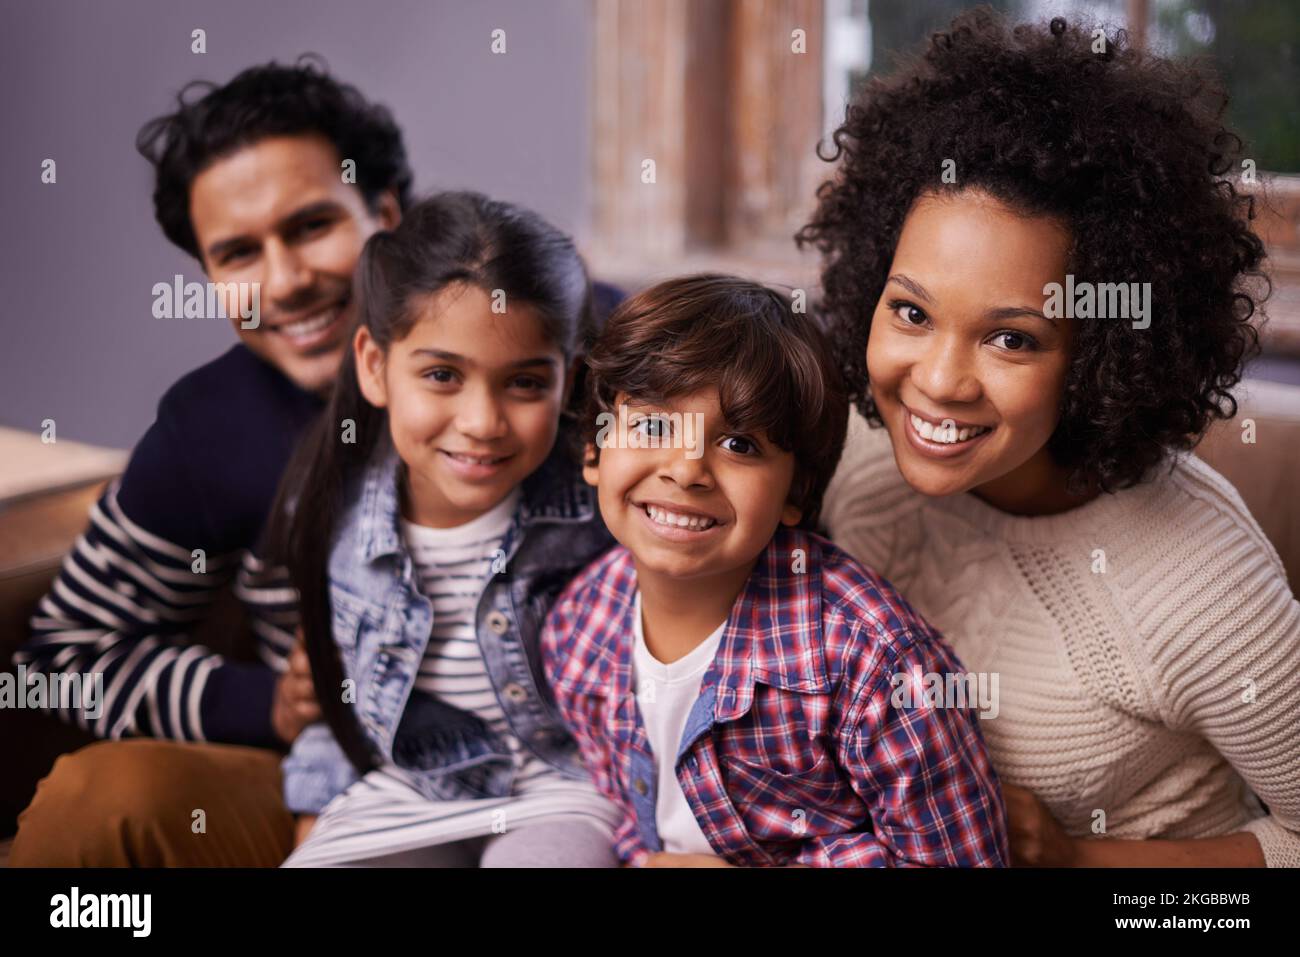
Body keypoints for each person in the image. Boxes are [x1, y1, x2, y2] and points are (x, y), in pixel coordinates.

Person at [800, 10, 1300, 866]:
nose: (940, 380)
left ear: (1105, 349)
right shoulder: (849, 445)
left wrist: (1082, 862)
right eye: (912, 312)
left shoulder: (1204, 583)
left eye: (1012, 337)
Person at [10, 59, 410, 867]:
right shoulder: (212, 430)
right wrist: (274, 703)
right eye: (238, 254)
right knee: (100, 802)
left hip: (580, 788)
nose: (287, 282)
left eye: (310, 226)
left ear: (388, 216)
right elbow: (66, 656)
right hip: (337, 784)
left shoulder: (560, 338)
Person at [542, 274, 1009, 867]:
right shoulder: (578, 626)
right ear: (593, 450)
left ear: (796, 493)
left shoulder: (876, 664)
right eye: (655, 426)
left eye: (739, 445)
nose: (687, 472)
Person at [270, 192, 623, 867]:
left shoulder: (599, 507)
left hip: (565, 786)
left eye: (524, 383)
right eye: (441, 375)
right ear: (375, 366)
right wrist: (315, 814)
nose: (482, 421)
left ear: (566, 379)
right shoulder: (336, 519)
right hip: (406, 791)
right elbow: (333, 700)